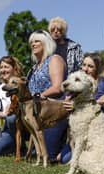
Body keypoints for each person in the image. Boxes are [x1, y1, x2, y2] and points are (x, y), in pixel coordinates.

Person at [27, 29, 68, 163]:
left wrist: (39, 95)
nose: (33, 44)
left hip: (53, 111)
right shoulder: (34, 68)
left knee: (49, 155)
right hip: (36, 113)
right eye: (31, 42)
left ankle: (65, 150)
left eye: (37, 41)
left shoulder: (54, 59)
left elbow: (57, 87)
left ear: (46, 43)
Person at [60, 53, 104, 164]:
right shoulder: (75, 82)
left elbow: (99, 103)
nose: (85, 69)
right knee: (62, 158)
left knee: (66, 159)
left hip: (94, 133)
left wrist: (75, 106)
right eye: (84, 65)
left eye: (90, 66)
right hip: (76, 132)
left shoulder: (102, 84)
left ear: (97, 69)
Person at [0, 56, 26, 156]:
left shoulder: (22, 83)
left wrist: (9, 112)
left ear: (14, 68)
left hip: (24, 125)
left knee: (11, 118)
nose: (3, 70)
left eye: (6, 67)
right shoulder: (1, 87)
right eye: (1, 67)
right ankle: (14, 145)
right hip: (9, 129)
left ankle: (21, 146)